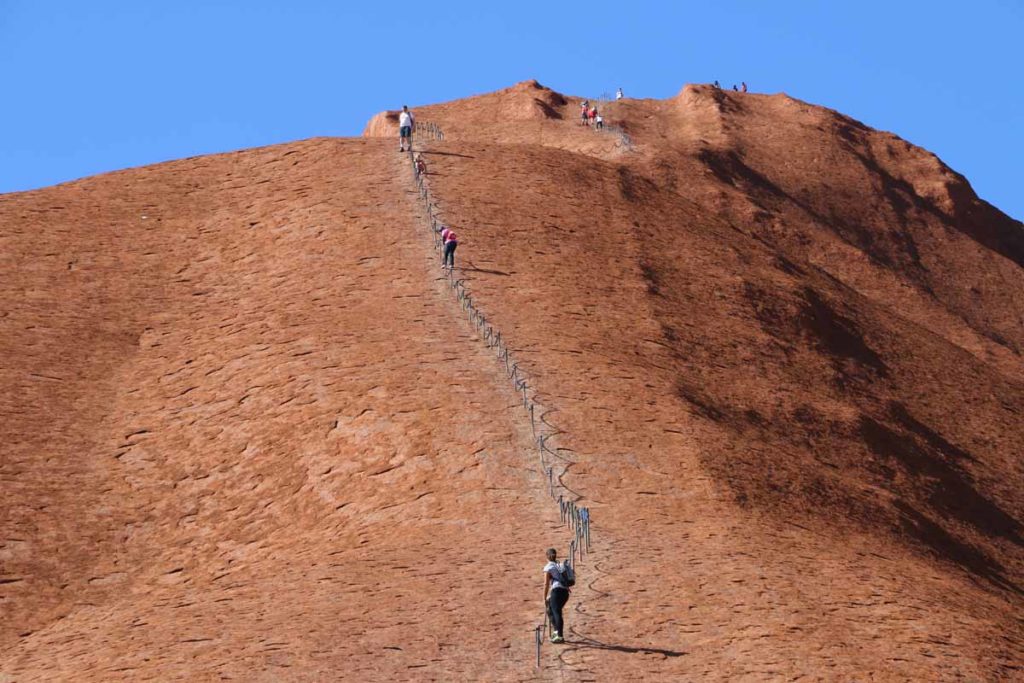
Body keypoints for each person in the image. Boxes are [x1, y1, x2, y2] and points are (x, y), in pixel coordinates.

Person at [543, 548, 570, 644]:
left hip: (556, 591)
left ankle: (559, 636)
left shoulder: (548, 567)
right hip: (565, 592)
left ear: (547, 556)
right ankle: (556, 632)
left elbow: (546, 584)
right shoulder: (559, 565)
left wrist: (544, 597)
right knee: (552, 610)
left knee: (556, 612)